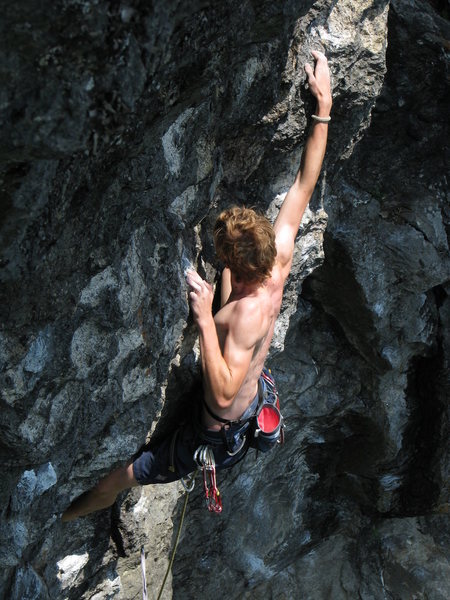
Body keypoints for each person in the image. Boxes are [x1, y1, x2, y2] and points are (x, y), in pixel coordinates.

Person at [61, 50, 332, 521]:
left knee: (118, 479)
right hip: (246, 392)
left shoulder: (244, 315)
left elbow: (224, 392)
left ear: (239, 266)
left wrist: (206, 319)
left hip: (214, 432)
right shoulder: (278, 258)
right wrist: (323, 106)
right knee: (231, 298)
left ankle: (63, 516)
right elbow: (305, 183)